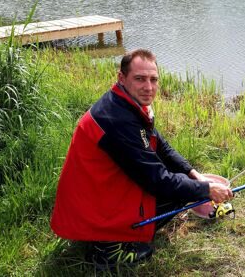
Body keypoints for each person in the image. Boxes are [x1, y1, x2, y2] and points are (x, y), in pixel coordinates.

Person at [50, 49, 233, 269]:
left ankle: (112, 234)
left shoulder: (126, 102)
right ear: (122, 78)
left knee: (183, 184)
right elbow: (156, 179)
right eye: (140, 79)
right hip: (92, 205)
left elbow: (161, 146)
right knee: (177, 194)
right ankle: (106, 249)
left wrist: (194, 174)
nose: (148, 87)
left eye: (153, 79)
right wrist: (205, 190)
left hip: (99, 189)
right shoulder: (118, 120)